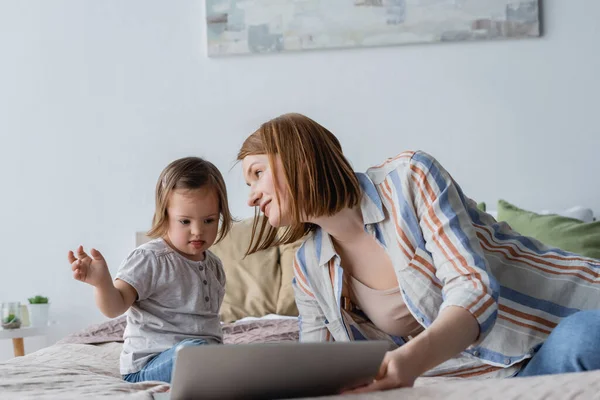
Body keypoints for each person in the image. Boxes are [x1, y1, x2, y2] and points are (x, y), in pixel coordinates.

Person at [238, 113, 600, 393]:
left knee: (583, 335)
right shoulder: (309, 267)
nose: (251, 196)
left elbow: (473, 288)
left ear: (300, 158)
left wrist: (410, 362)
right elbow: (318, 370)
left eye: (257, 173)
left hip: (566, 318)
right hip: (498, 382)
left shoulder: (409, 178)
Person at [68, 157, 233, 383]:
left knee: (229, 358)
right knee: (196, 352)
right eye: (185, 221)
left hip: (201, 359)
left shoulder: (214, 266)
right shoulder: (150, 258)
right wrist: (101, 283)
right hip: (148, 366)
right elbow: (114, 306)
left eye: (209, 221)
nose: (198, 231)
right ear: (165, 216)